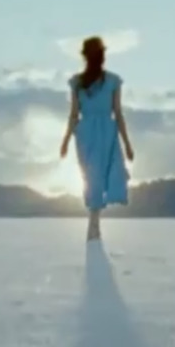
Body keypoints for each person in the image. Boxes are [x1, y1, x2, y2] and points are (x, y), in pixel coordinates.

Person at [58, 35, 135, 241]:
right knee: (98, 175)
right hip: (103, 132)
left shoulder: (109, 81)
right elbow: (117, 113)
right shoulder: (81, 83)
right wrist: (126, 143)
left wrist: (66, 140)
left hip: (87, 132)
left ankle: (94, 223)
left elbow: (75, 115)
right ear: (102, 56)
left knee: (94, 176)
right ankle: (94, 223)